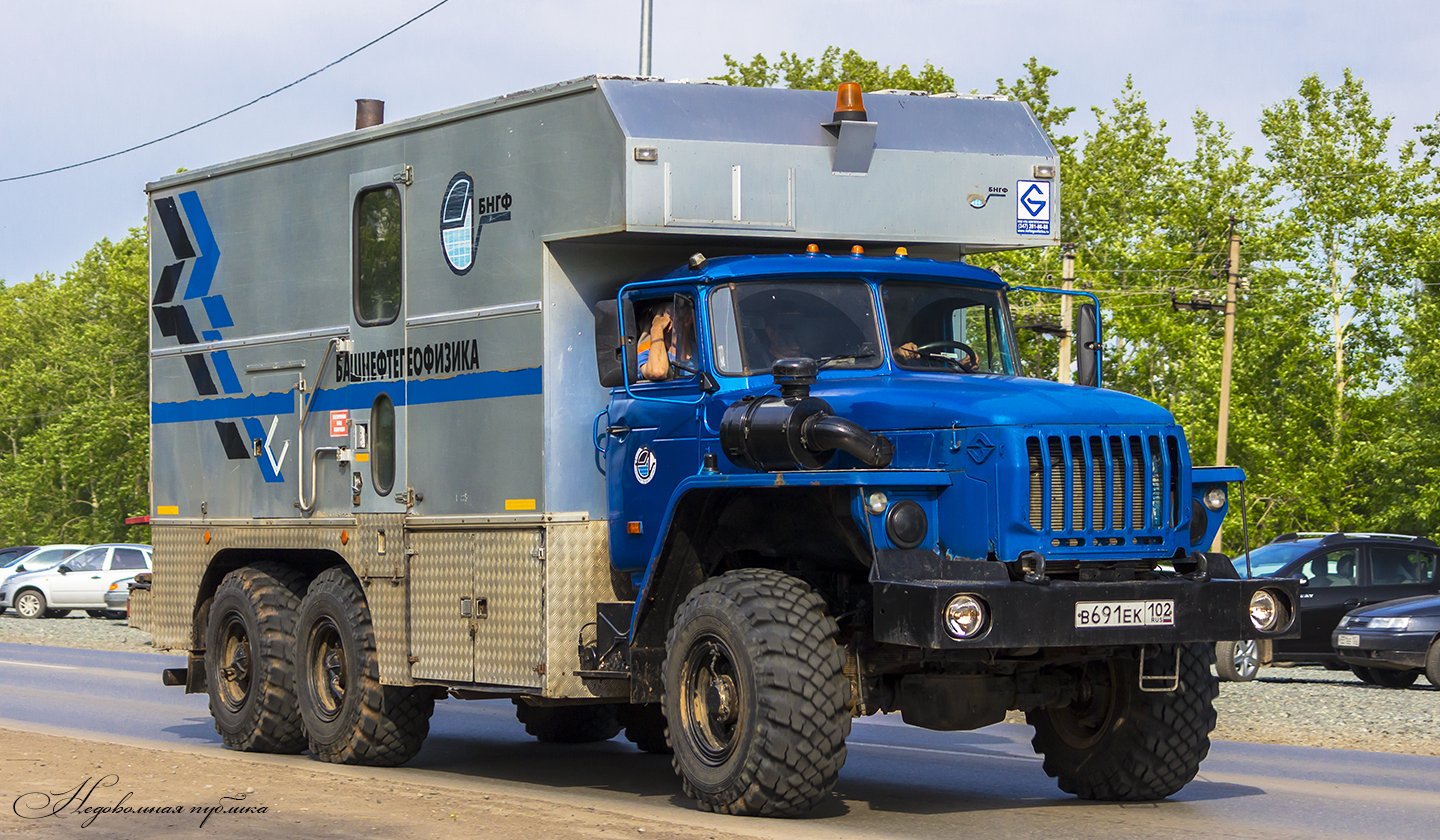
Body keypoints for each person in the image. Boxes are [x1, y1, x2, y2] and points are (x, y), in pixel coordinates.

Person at [636, 301, 693, 381]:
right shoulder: (646, 349)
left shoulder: (703, 346)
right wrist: (657, 328)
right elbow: (657, 372)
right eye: (670, 314)